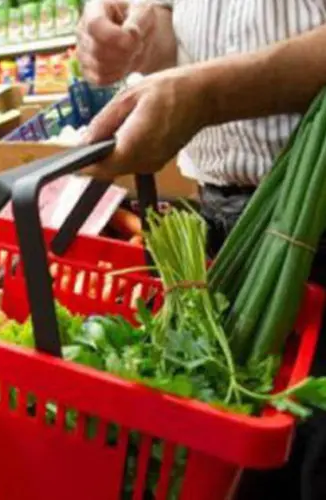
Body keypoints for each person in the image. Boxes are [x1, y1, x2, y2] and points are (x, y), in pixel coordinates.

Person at [74, 1, 326, 499]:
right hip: (223, 218)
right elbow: (190, 26)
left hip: (311, 205)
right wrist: (136, 36)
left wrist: (210, 94)